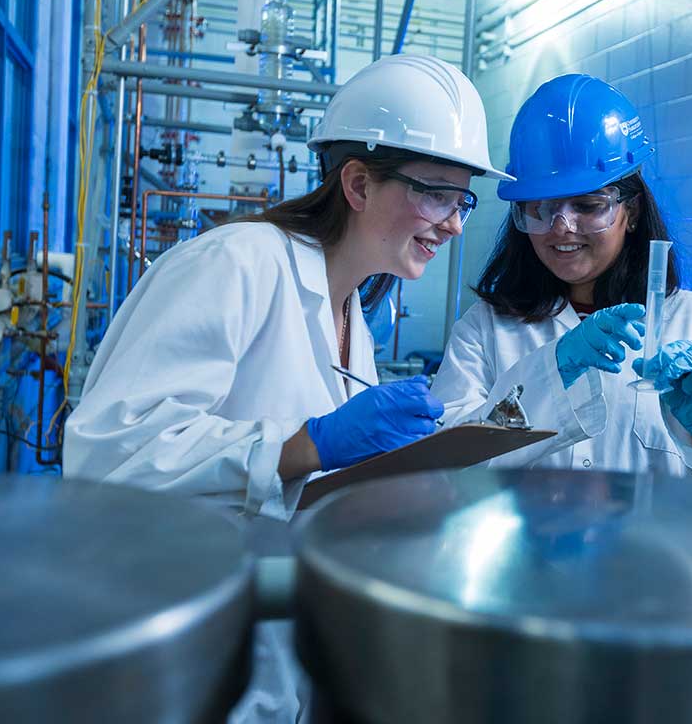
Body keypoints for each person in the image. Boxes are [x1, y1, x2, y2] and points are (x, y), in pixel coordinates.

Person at [63, 55, 511, 724]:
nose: (453, 223)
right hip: (175, 656)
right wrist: (307, 445)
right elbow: (108, 452)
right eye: (435, 193)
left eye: (462, 199)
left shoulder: (352, 313)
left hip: (270, 655)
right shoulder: (237, 263)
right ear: (357, 184)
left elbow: (300, 491)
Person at [432, 74, 692, 499]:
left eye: (587, 206)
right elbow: (443, 469)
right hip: (520, 559)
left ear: (630, 211)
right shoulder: (485, 329)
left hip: (654, 562)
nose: (561, 226)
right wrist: (549, 374)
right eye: (540, 208)